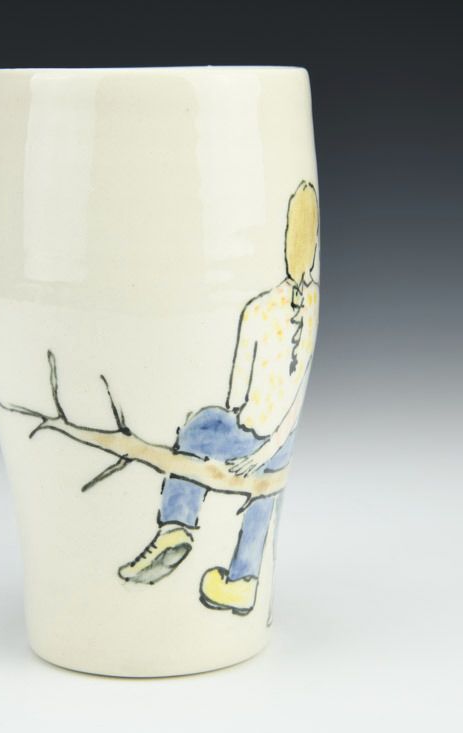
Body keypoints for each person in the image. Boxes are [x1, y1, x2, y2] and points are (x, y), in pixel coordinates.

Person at [118, 181, 320, 615]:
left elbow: (238, 396)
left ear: (287, 239)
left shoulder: (259, 310)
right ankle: (243, 580)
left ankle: (177, 525)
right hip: (275, 442)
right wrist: (266, 447)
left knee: (200, 427)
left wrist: (256, 446)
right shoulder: (309, 300)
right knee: (267, 483)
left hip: (252, 437)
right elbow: (291, 398)